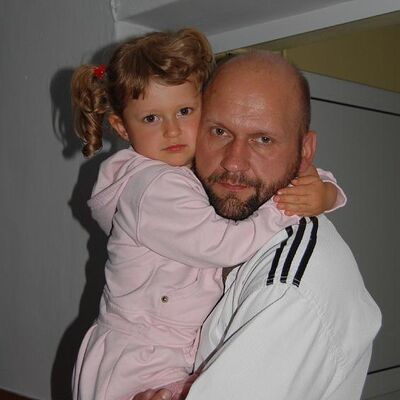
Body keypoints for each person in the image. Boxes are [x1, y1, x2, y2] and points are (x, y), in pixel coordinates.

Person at [71, 29, 344, 400]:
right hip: (140, 359)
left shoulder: (182, 170)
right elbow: (224, 245)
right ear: (121, 127)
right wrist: (285, 207)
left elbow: (279, 172)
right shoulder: (156, 187)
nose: (172, 131)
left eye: (184, 112)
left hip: (163, 353)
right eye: (151, 118)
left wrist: (326, 190)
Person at [133, 52, 381, 400]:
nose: (234, 162)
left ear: (305, 151)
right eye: (219, 131)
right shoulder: (194, 221)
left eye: (263, 139)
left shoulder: (287, 289)